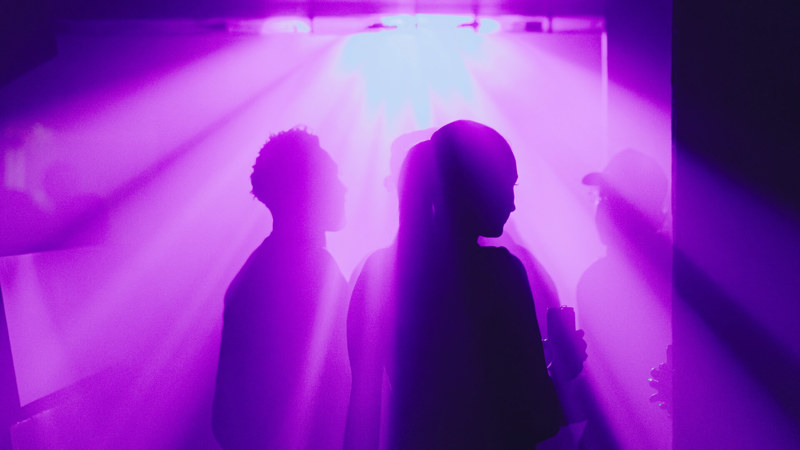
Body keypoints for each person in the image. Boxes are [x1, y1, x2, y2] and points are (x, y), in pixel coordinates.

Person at [345, 120, 563, 449]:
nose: (513, 203)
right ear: (478, 185)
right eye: (508, 184)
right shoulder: (501, 274)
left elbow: (361, 415)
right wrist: (564, 366)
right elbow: (538, 418)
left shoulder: (379, 274)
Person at [212, 128, 350, 449]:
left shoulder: (268, 269)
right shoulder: (290, 275)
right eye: (333, 177)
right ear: (305, 191)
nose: (344, 187)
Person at [576, 149, 672, 449]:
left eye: (609, 199)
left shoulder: (673, 279)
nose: (600, 209)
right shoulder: (595, 280)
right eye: (600, 198)